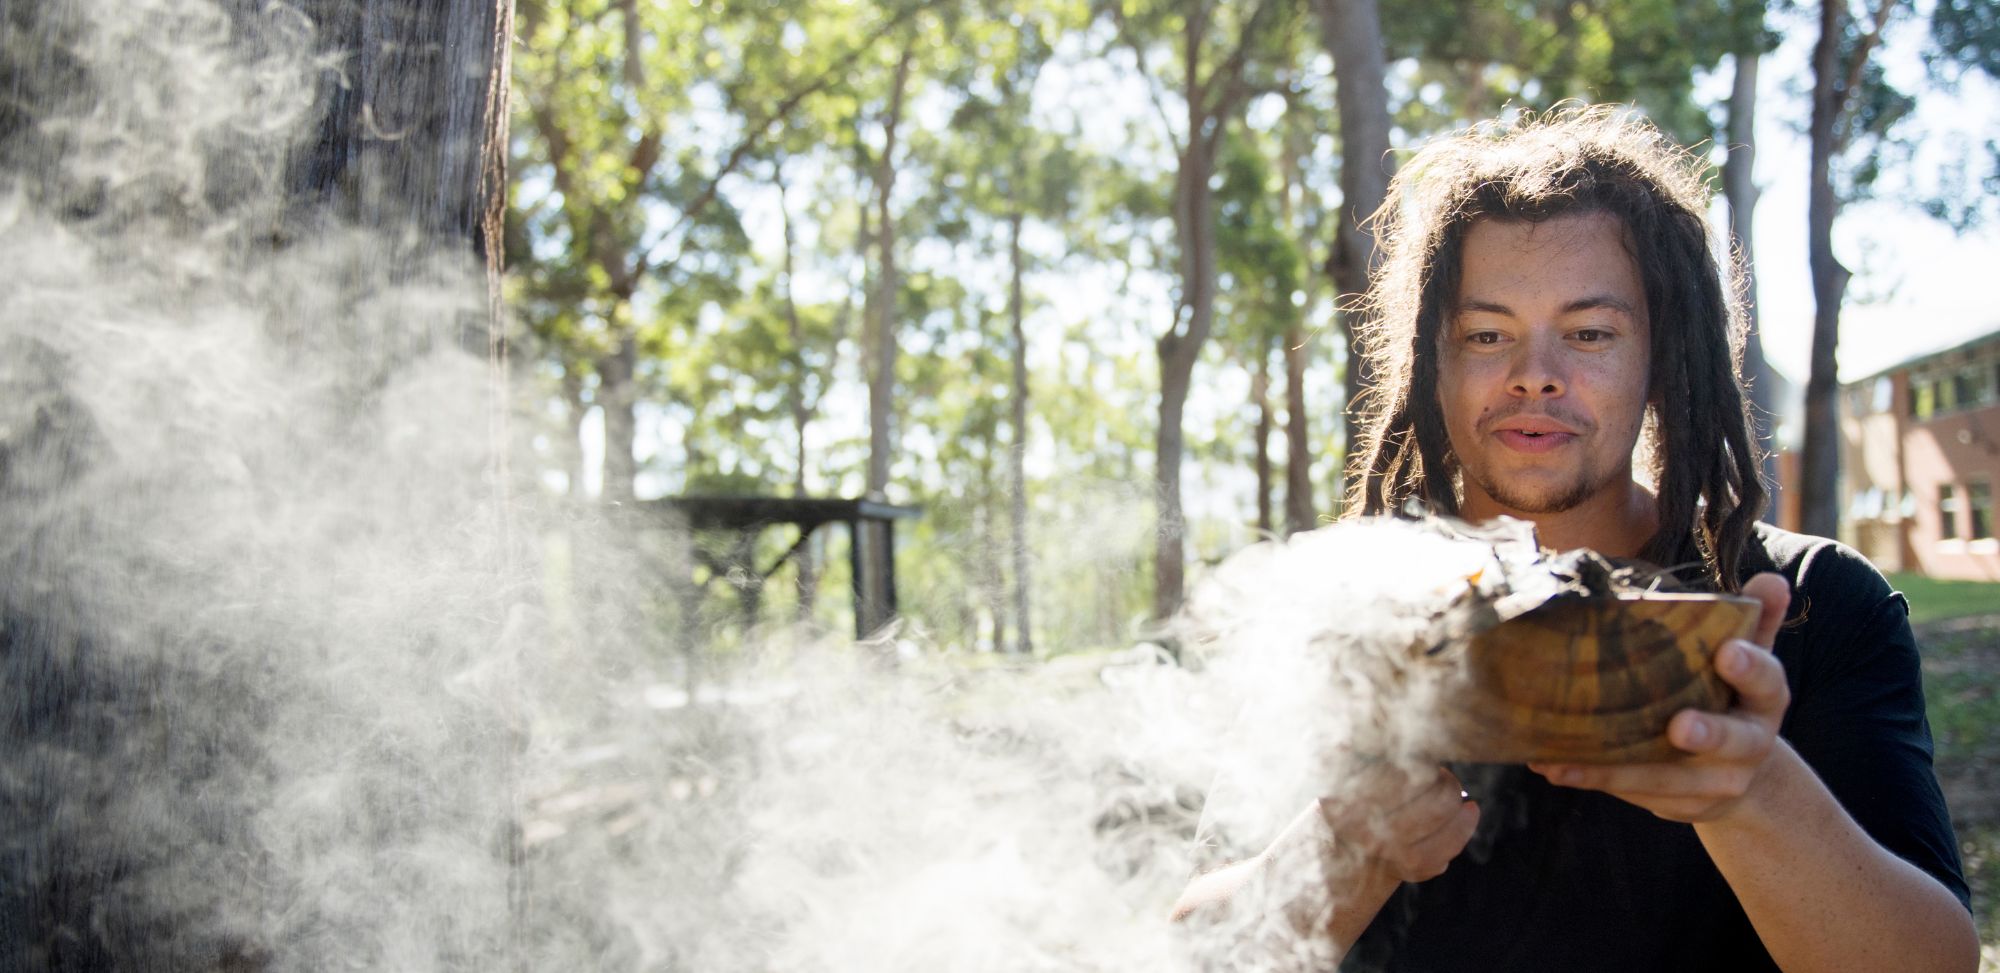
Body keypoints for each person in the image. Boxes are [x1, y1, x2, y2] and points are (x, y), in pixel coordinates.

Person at [1171, 107, 1977, 971]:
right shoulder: (1343, 615)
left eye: (1590, 332)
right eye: (1487, 334)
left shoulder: (1807, 607)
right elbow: (1191, 952)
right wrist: (1339, 849)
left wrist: (1752, 793)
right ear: (1429, 362)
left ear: (1663, 357)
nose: (1535, 372)